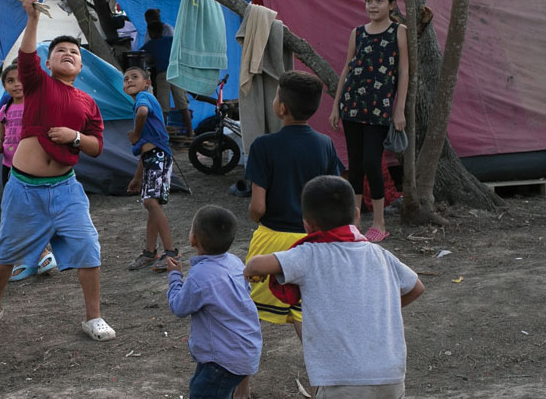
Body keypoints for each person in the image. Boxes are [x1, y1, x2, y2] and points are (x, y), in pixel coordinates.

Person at [0, 0, 115, 342]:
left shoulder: (87, 102)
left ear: (81, 67)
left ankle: (93, 317)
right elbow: (25, 57)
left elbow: (97, 146)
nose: (68, 54)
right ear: (48, 62)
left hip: (66, 189)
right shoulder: (37, 83)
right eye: (60, 51)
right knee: (6, 250)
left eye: (75, 53)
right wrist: (32, 19)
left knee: (88, 247)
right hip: (25, 188)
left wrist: (75, 137)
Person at [245, 176, 424, 398]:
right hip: (390, 377)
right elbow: (416, 287)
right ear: (357, 216)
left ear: (307, 224)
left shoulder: (310, 254)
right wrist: (378, 310)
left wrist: (249, 272)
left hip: (340, 380)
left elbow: (256, 264)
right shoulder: (380, 254)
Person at [237, 70, 342, 399]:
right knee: (308, 324)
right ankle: (322, 391)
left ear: (281, 106)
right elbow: (332, 194)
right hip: (313, 242)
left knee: (244, 316)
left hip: (272, 241)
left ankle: (241, 393)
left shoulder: (264, 146)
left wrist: (254, 215)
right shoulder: (325, 144)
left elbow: (257, 206)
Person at [329, 0, 408, 243]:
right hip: (352, 104)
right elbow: (346, 69)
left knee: (373, 162)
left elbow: (404, 73)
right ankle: (355, 221)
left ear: (392, 5)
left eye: (379, 1)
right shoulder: (358, 33)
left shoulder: (399, 31)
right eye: (369, 1)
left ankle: (379, 222)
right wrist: (336, 105)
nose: (373, 6)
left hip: (379, 107)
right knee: (356, 164)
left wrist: (399, 110)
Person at [165, 205, 261, 399]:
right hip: (241, 348)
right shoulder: (235, 261)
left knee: (204, 393)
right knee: (199, 386)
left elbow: (178, 306)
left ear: (194, 239)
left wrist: (175, 276)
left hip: (224, 357)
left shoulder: (200, 275)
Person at [0, 63, 56, 281]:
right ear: (5, 86)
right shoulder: (6, 108)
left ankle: (44, 252)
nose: (17, 84)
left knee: (33, 208)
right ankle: (31, 257)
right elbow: (2, 134)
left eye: (21, 80)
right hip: (8, 167)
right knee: (13, 210)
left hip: (29, 166)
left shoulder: (35, 105)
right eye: (10, 81)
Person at [122, 67, 180, 273]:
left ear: (147, 83)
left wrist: (136, 133)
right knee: (151, 205)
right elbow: (146, 150)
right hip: (152, 158)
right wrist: (137, 178)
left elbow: (143, 113)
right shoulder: (140, 100)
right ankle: (149, 252)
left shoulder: (143, 98)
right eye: (126, 79)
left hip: (159, 157)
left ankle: (171, 252)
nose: (129, 81)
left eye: (134, 77)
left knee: (151, 202)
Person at [141, 16, 194, 139]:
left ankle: (161, 135)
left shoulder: (150, 45)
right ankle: (190, 133)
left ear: (151, 33)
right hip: (176, 73)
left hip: (163, 75)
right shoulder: (172, 40)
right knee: (183, 105)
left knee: (163, 107)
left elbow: (140, 55)